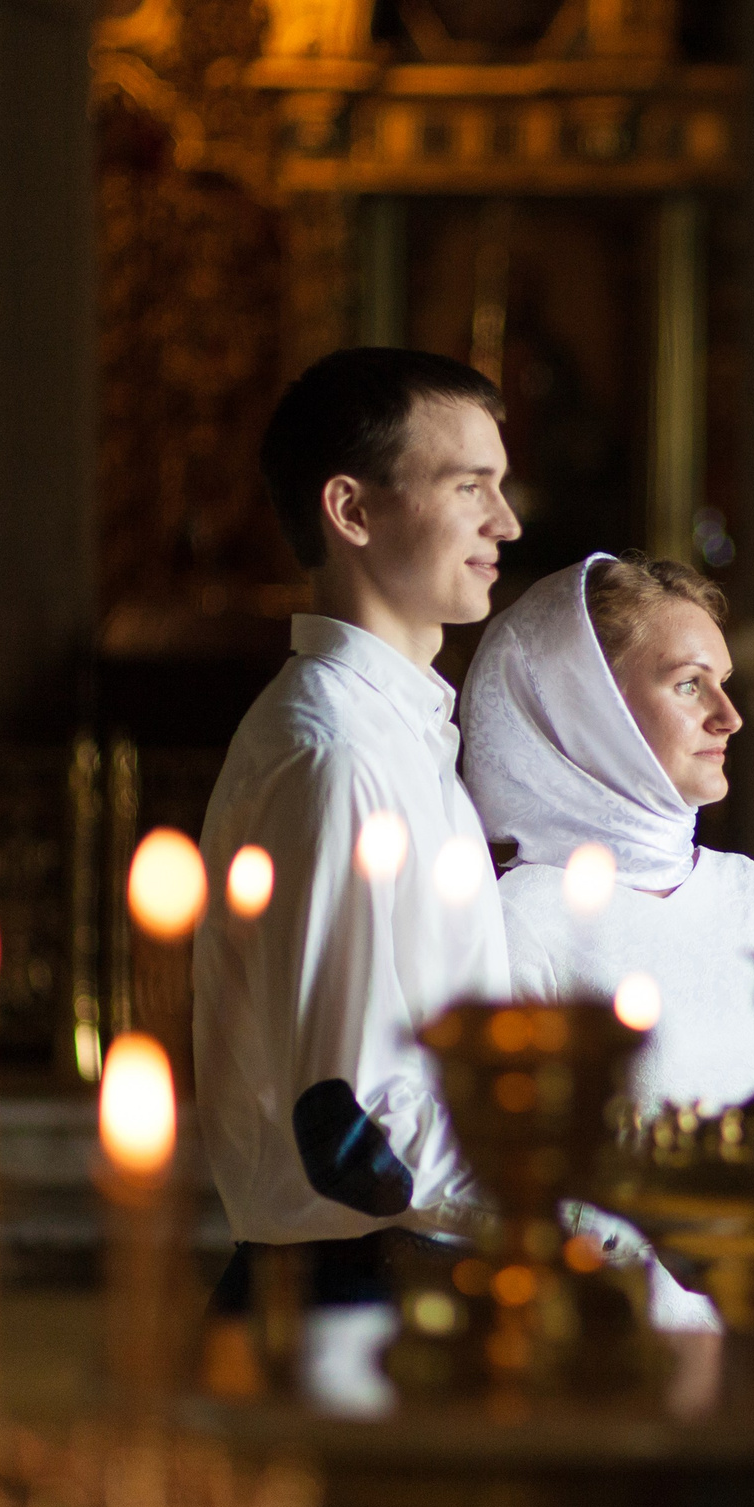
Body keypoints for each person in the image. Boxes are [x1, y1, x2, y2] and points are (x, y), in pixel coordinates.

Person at [459, 552, 754, 1507]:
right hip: (621, 1395)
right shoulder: (525, 916)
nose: (729, 715)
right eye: (687, 683)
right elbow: (516, 1186)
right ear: (581, 704)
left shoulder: (753, 897)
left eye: (722, 682)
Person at [192, 347, 521, 1321]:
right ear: (352, 510)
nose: (505, 523)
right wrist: (561, 1178)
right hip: (359, 1299)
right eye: (470, 487)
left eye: (500, 488)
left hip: (403, 1270)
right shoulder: (334, 755)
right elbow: (349, 1132)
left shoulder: (399, 735)